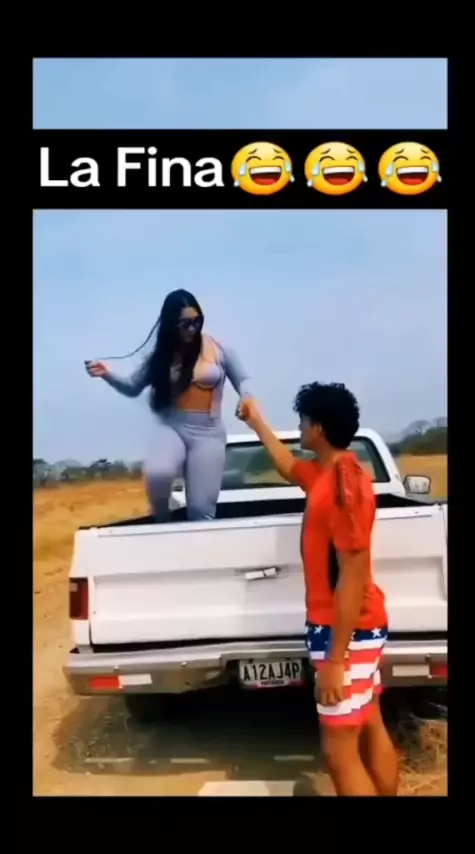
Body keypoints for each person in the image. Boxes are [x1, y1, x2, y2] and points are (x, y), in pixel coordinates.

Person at [237, 383, 398, 797]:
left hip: (347, 631)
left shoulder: (344, 484)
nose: (299, 427)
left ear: (319, 428)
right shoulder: (327, 474)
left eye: (303, 420)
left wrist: (335, 658)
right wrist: (257, 422)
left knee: (338, 749)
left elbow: (353, 574)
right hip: (354, 627)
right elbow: (288, 466)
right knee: (369, 720)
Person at [86, 289, 253, 522]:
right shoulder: (161, 356)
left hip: (208, 432)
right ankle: (161, 521)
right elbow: (133, 387)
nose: (192, 328)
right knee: (158, 474)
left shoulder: (218, 348)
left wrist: (246, 397)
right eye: (185, 324)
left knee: (200, 509)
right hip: (172, 426)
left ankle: (198, 541)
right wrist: (107, 374)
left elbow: (243, 379)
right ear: (171, 325)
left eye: (197, 321)